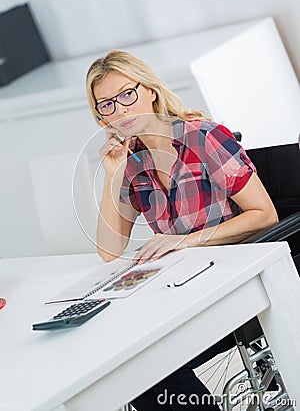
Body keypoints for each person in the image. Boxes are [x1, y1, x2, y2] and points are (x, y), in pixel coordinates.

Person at [86, 50, 278, 410]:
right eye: (106, 105)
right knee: (125, 367)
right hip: (181, 290)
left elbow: (264, 214)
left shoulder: (203, 138)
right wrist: (113, 175)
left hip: (234, 287)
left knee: (150, 370)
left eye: (126, 94)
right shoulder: (132, 162)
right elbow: (109, 250)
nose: (120, 111)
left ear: (150, 91)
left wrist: (184, 242)